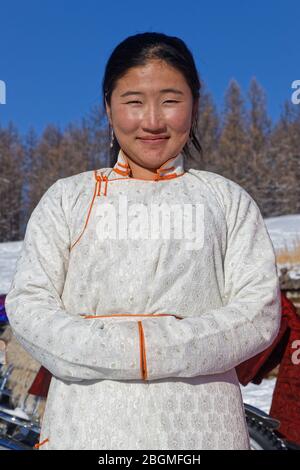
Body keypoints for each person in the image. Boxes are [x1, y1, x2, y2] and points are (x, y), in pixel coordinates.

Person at [4, 32, 281, 450]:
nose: (152, 120)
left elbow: (256, 314)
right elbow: (30, 305)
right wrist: (134, 347)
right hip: (88, 428)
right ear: (108, 107)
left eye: (170, 100)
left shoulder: (225, 201)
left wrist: (143, 346)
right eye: (133, 102)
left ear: (195, 104)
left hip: (202, 429)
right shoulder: (68, 199)